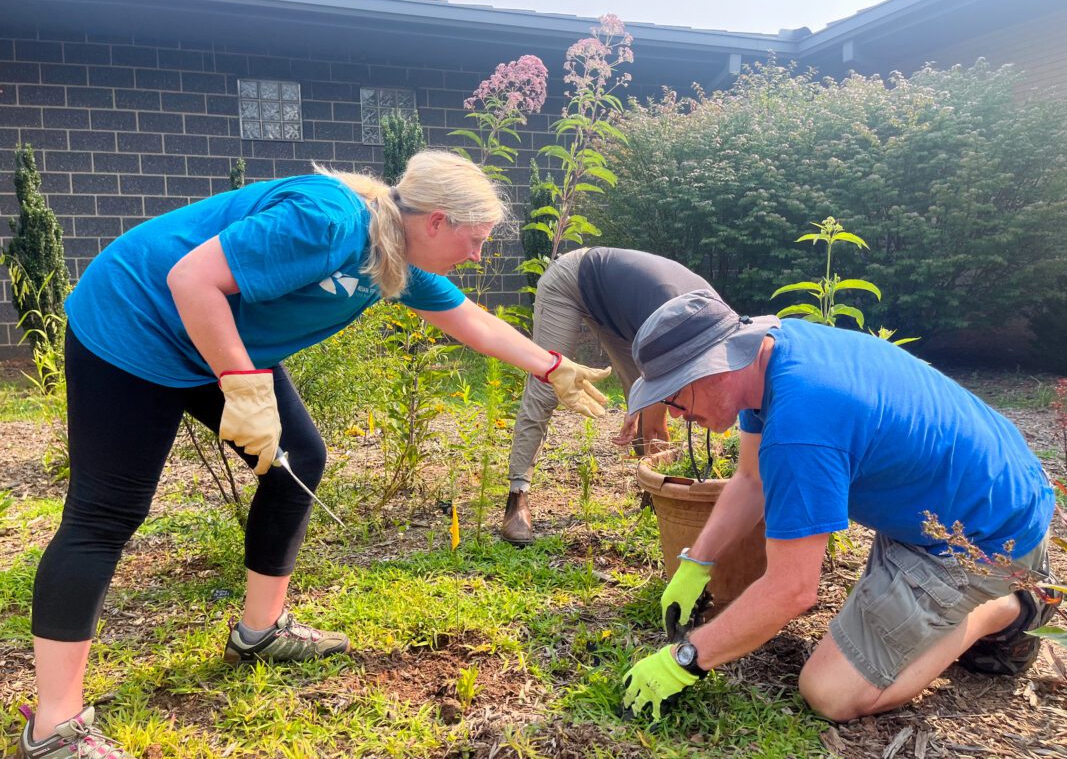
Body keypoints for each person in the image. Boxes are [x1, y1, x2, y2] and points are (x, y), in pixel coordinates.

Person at [18, 150, 610, 759]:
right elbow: (190, 280)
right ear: (436, 221)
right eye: (476, 239)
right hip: (133, 323)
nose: (478, 255)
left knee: (296, 460)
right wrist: (241, 384)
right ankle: (53, 730)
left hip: (214, 336)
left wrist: (553, 367)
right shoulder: (326, 219)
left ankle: (259, 633)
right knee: (105, 515)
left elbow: (471, 322)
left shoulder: (392, 258)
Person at [619, 289, 1062, 722]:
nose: (674, 414)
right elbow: (751, 480)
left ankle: (1010, 607)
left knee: (831, 693)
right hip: (955, 499)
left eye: (676, 395)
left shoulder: (801, 424)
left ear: (717, 367)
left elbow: (793, 590)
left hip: (985, 539)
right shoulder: (769, 357)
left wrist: (685, 659)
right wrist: (697, 564)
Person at [502, 247, 714, 544]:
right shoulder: (673, 326)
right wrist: (644, 407)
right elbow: (656, 415)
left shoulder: (713, 320)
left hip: (620, 307)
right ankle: (517, 497)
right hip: (572, 280)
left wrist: (640, 403)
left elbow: (654, 391)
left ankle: (654, 498)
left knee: (649, 398)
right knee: (547, 383)